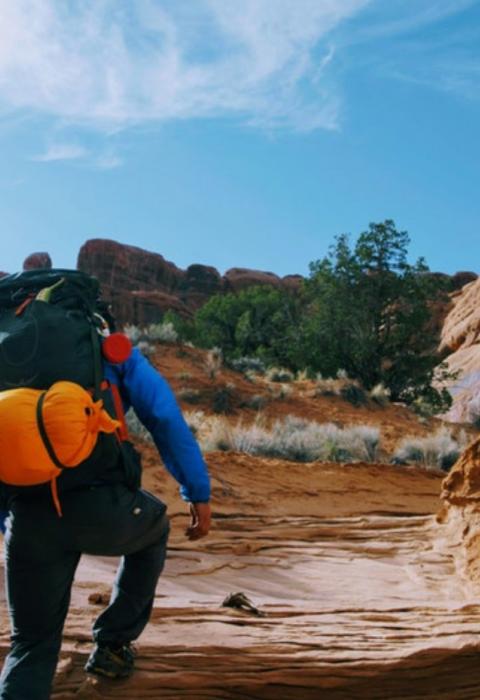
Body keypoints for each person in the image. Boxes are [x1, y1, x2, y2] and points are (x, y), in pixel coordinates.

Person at [0, 343, 211, 700]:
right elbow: (164, 418)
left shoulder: (9, 349)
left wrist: (7, 524)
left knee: (31, 644)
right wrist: (197, 491)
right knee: (155, 528)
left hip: (30, 515)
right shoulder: (110, 351)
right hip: (104, 508)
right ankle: (112, 646)